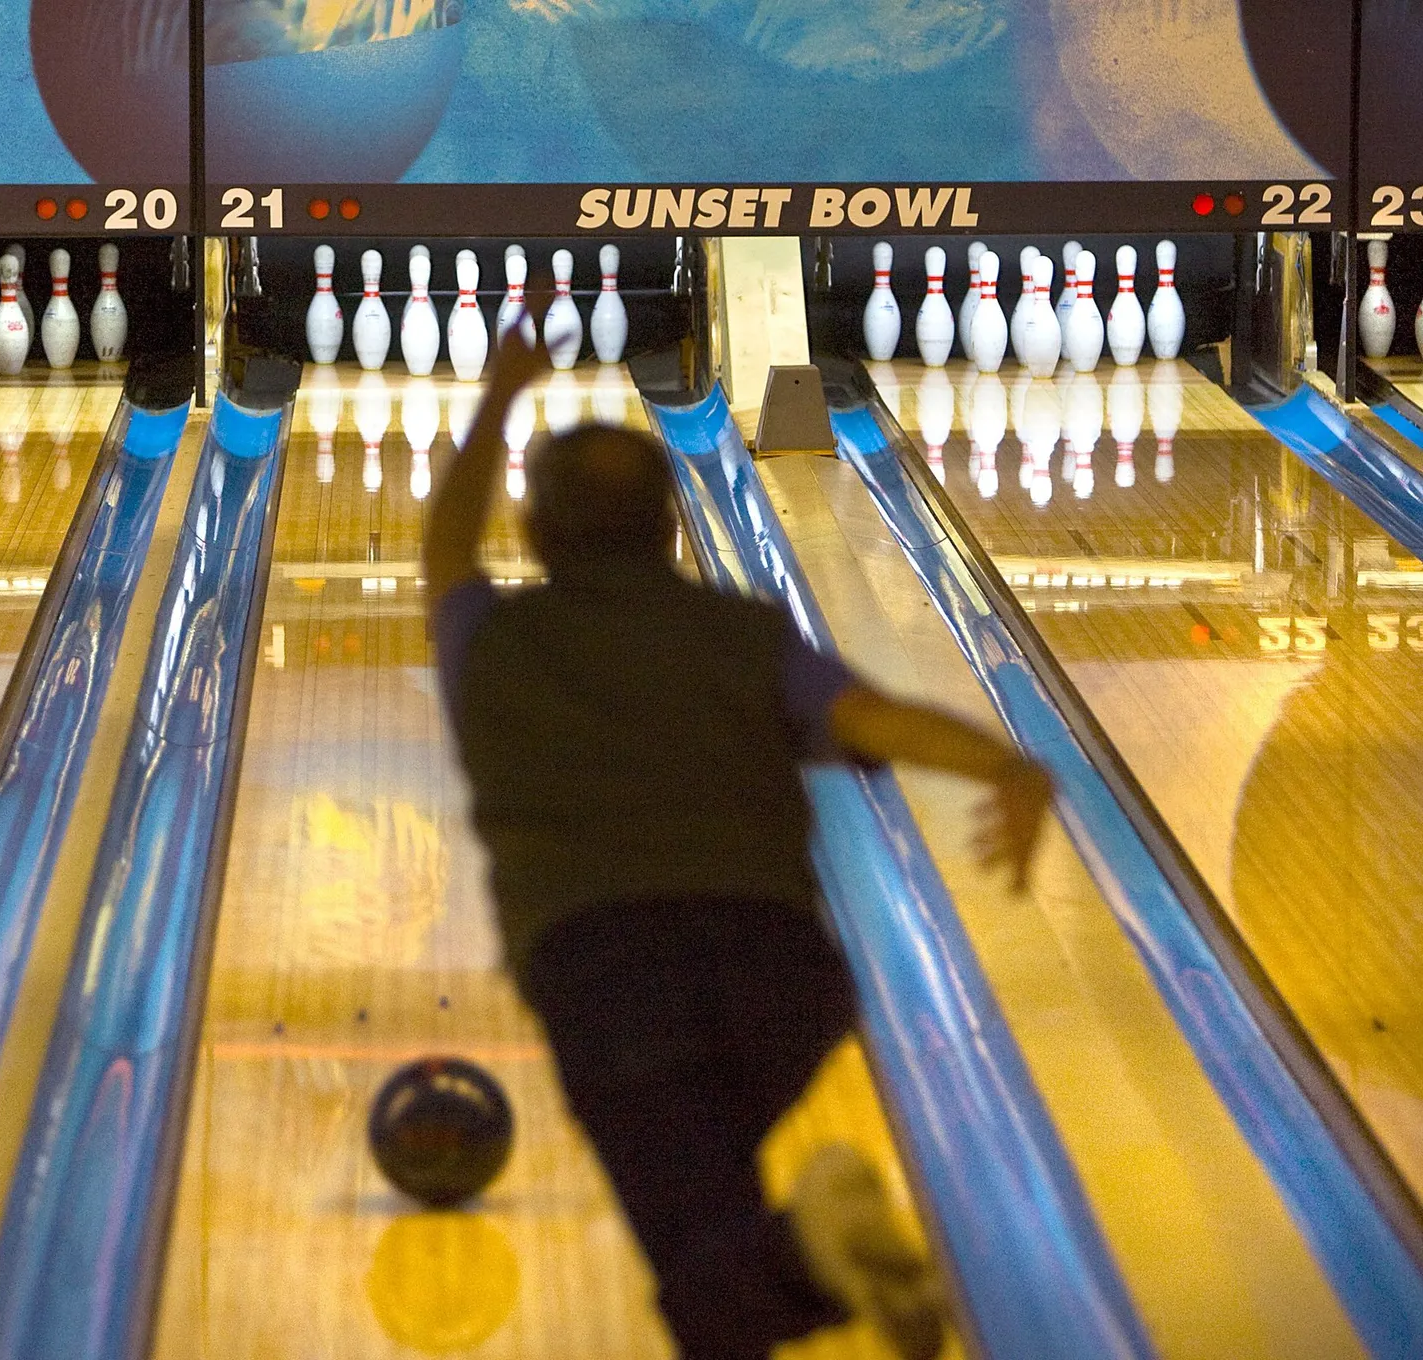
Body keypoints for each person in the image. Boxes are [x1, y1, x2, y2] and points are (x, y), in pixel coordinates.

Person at [424, 309, 1053, 1360]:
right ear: (673, 530)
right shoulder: (747, 635)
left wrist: (498, 395)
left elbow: (446, 547)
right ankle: (814, 1249)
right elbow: (874, 721)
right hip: (784, 979)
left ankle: (816, 1244)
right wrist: (1005, 762)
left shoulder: (492, 640)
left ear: (535, 535)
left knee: (704, 1288)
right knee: (709, 1229)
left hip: (614, 980)